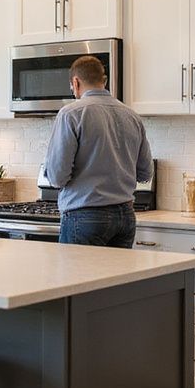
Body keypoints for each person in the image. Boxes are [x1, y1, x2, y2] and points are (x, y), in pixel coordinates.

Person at [42, 54, 153, 248]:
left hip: (85, 215)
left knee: (77, 278)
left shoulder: (71, 114)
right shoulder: (132, 115)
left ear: (75, 82)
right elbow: (145, 174)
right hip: (125, 216)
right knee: (118, 279)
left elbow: (57, 176)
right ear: (104, 81)